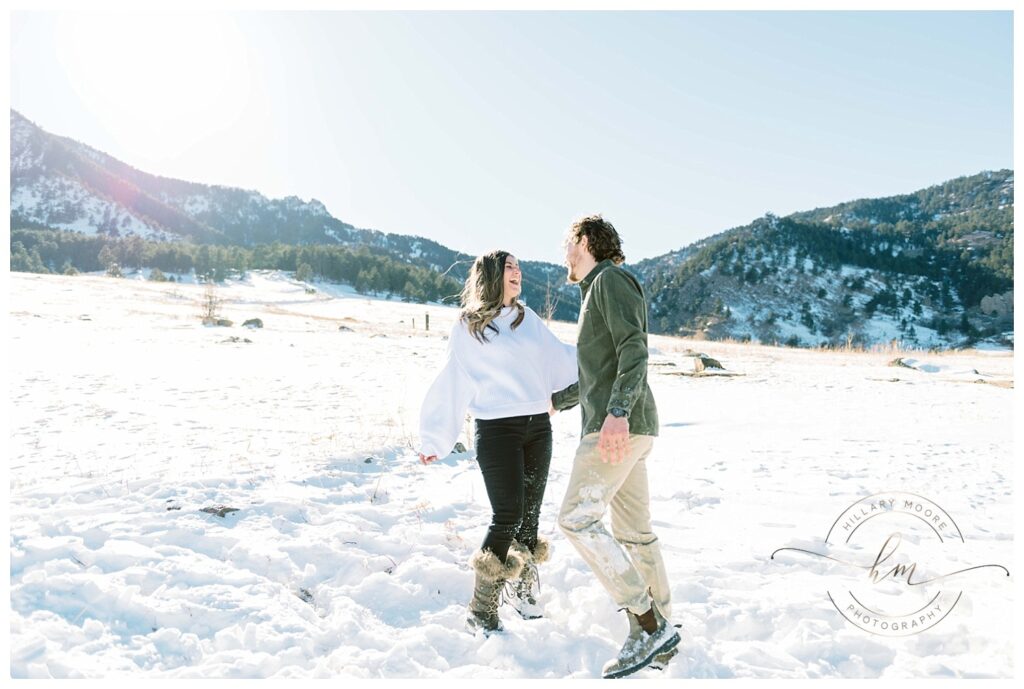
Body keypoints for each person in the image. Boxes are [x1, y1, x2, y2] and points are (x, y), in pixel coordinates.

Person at [418, 249, 578, 634]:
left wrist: (603, 355)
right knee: (507, 515)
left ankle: (524, 594)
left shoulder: (528, 319)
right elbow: (453, 379)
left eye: (519, 267)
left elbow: (561, 359)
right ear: (490, 275)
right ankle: (482, 606)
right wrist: (435, 437)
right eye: (509, 267)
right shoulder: (468, 326)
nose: (517, 272)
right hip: (496, 430)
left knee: (530, 518)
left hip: (538, 427)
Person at [551, 215, 679, 678]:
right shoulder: (595, 292)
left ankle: (646, 624)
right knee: (635, 533)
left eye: (568, 242)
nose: (564, 252)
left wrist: (617, 414)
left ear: (584, 242)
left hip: (616, 430)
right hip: (627, 427)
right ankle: (662, 630)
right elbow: (595, 374)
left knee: (576, 519)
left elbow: (634, 348)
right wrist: (554, 401)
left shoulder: (610, 280)